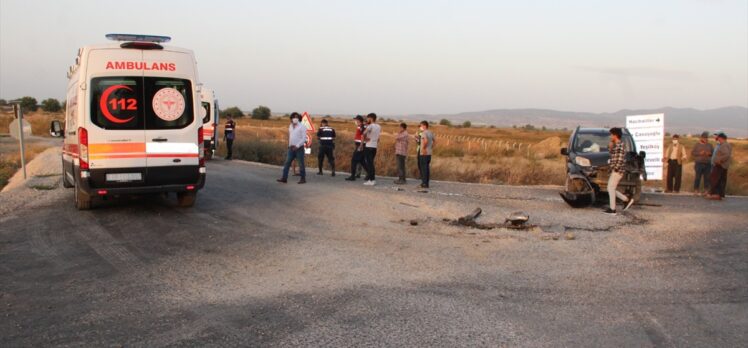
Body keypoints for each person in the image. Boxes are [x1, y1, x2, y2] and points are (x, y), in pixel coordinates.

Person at [603, 127, 635, 215]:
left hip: (617, 170)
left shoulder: (621, 145)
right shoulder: (616, 144)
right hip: (615, 169)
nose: (610, 136)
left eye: (611, 135)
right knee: (610, 188)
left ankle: (613, 209)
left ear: (615, 135)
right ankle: (626, 200)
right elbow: (613, 154)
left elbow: (620, 159)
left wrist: (615, 168)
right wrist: (610, 147)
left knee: (610, 188)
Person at [277, 113, 307, 184]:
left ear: (299, 118)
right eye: (293, 117)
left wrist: (297, 146)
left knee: (301, 164)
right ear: (291, 118)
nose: (295, 118)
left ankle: (303, 178)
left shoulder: (302, 126)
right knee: (287, 163)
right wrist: (289, 145)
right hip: (291, 148)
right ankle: (284, 178)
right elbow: (291, 137)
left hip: (299, 148)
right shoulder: (290, 126)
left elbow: (303, 138)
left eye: (296, 117)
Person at [707, 131, 732, 200]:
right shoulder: (726, 145)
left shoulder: (724, 145)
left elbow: (726, 155)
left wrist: (719, 160)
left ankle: (716, 194)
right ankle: (718, 194)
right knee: (720, 180)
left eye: (718, 138)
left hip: (720, 165)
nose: (718, 140)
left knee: (715, 179)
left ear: (721, 138)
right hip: (722, 165)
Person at [345, 115, 367, 181]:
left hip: (360, 146)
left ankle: (353, 176)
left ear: (359, 120)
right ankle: (370, 174)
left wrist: (361, 146)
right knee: (362, 161)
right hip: (360, 145)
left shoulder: (362, 126)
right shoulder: (360, 126)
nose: (355, 121)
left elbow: (363, 136)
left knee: (354, 161)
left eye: (356, 120)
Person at [361, 113, 381, 186]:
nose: (367, 120)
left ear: (371, 118)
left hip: (369, 146)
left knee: (370, 164)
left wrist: (365, 138)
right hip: (374, 147)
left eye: (367, 118)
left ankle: (371, 180)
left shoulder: (370, 126)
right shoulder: (379, 126)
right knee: (371, 163)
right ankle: (371, 179)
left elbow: (363, 133)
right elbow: (378, 138)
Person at [417, 121, 435, 188]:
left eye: (421, 125)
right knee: (427, 168)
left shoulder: (424, 133)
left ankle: (424, 183)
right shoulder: (431, 132)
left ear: (424, 126)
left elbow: (426, 141)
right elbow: (435, 141)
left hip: (424, 153)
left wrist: (424, 148)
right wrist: (431, 147)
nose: (420, 127)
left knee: (423, 168)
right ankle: (426, 183)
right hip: (429, 153)